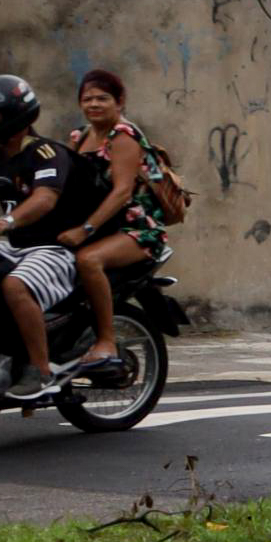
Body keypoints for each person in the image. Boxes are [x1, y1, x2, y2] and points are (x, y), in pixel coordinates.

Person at [0, 73, 93, 398]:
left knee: (14, 285)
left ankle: (40, 370)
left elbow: (45, 198)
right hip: (14, 247)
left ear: (15, 115)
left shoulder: (45, 153)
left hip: (52, 248)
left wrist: (6, 220)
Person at [59, 67, 166, 382]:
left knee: (88, 260)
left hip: (134, 228)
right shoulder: (78, 138)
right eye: (87, 98)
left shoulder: (124, 136)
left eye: (102, 98)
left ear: (119, 102)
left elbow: (121, 193)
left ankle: (106, 341)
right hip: (99, 226)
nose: (94, 104)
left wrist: (85, 229)